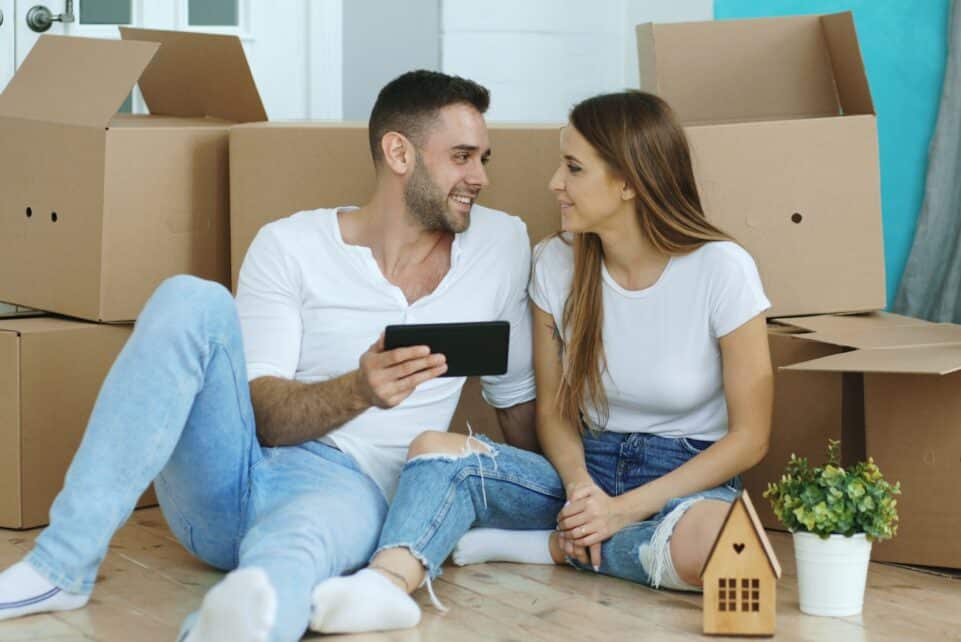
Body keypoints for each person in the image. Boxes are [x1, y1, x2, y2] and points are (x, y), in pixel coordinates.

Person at [0, 70, 537, 642]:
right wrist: (359, 390)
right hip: (231, 473)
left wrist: (560, 502)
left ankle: (233, 624)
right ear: (399, 153)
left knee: (284, 564)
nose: (480, 177)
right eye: (462, 157)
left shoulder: (500, 245)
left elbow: (517, 401)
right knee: (190, 298)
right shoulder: (291, 244)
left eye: (483, 158)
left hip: (351, 488)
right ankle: (60, 566)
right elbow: (261, 416)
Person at [307, 90, 774, 635]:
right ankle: (384, 585)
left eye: (573, 168)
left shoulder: (722, 269)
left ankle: (552, 548)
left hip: (685, 480)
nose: (555, 182)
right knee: (436, 450)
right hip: (584, 471)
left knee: (732, 552)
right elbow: (552, 412)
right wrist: (582, 492)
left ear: (628, 182)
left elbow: (750, 438)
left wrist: (621, 511)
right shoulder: (555, 263)